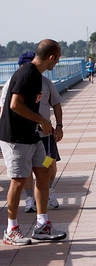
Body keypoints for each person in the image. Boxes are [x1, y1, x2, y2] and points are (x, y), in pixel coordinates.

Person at [0, 39, 67, 245]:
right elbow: (14, 105)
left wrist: (45, 125)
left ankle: (42, 225)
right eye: (57, 59)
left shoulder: (38, 77)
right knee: (18, 181)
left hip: (32, 135)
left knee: (43, 173)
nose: (56, 63)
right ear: (51, 57)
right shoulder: (27, 74)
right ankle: (11, 229)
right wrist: (42, 120)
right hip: (15, 138)